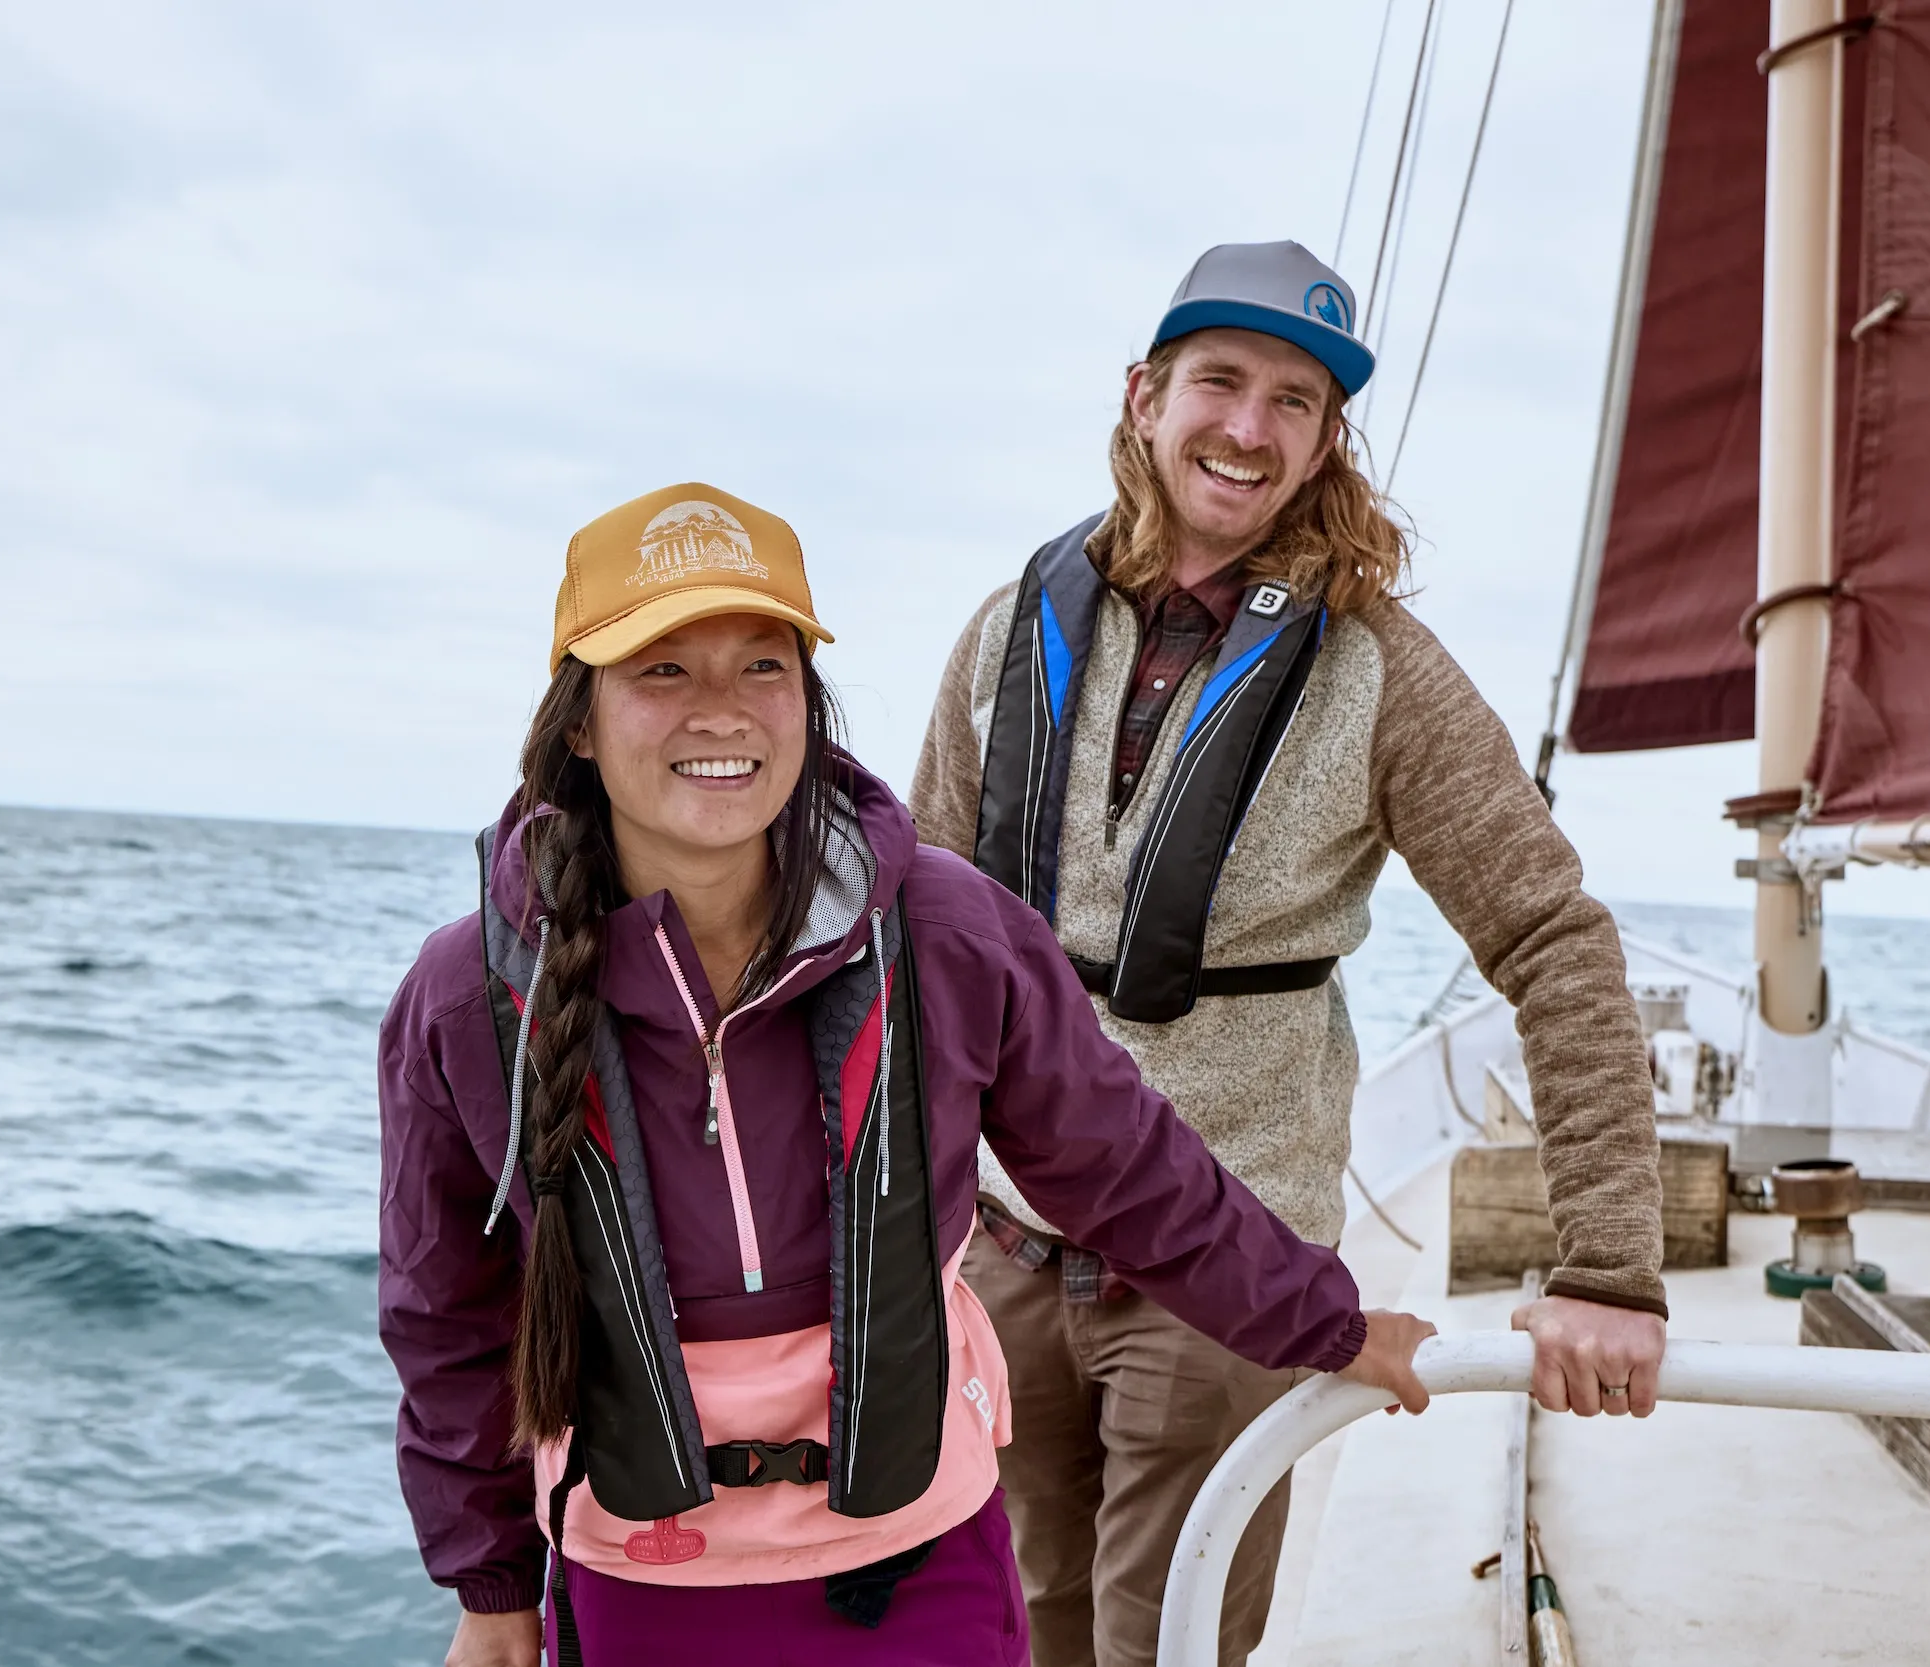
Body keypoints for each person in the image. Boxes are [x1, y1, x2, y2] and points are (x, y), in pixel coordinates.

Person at [376, 481, 1436, 1667]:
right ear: (578, 717)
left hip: (914, 1561)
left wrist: (1328, 1322)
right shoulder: (468, 995)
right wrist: (487, 1584)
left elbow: (1127, 1169)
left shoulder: (948, 930)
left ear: (808, 701)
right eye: (660, 671)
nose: (719, 711)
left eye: (761, 667)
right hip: (638, 1573)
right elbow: (445, 1311)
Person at [908, 242, 1671, 1667]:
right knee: (1001, 1635)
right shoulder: (1008, 630)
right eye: (1220, 381)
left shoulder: (1384, 674)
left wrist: (1610, 1266)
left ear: (1328, 441)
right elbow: (906, 948)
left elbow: (1554, 939)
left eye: (1296, 400)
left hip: (1224, 1272)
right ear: (1145, 396)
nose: (1249, 429)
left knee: (1171, 1644)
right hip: (994, 1257)